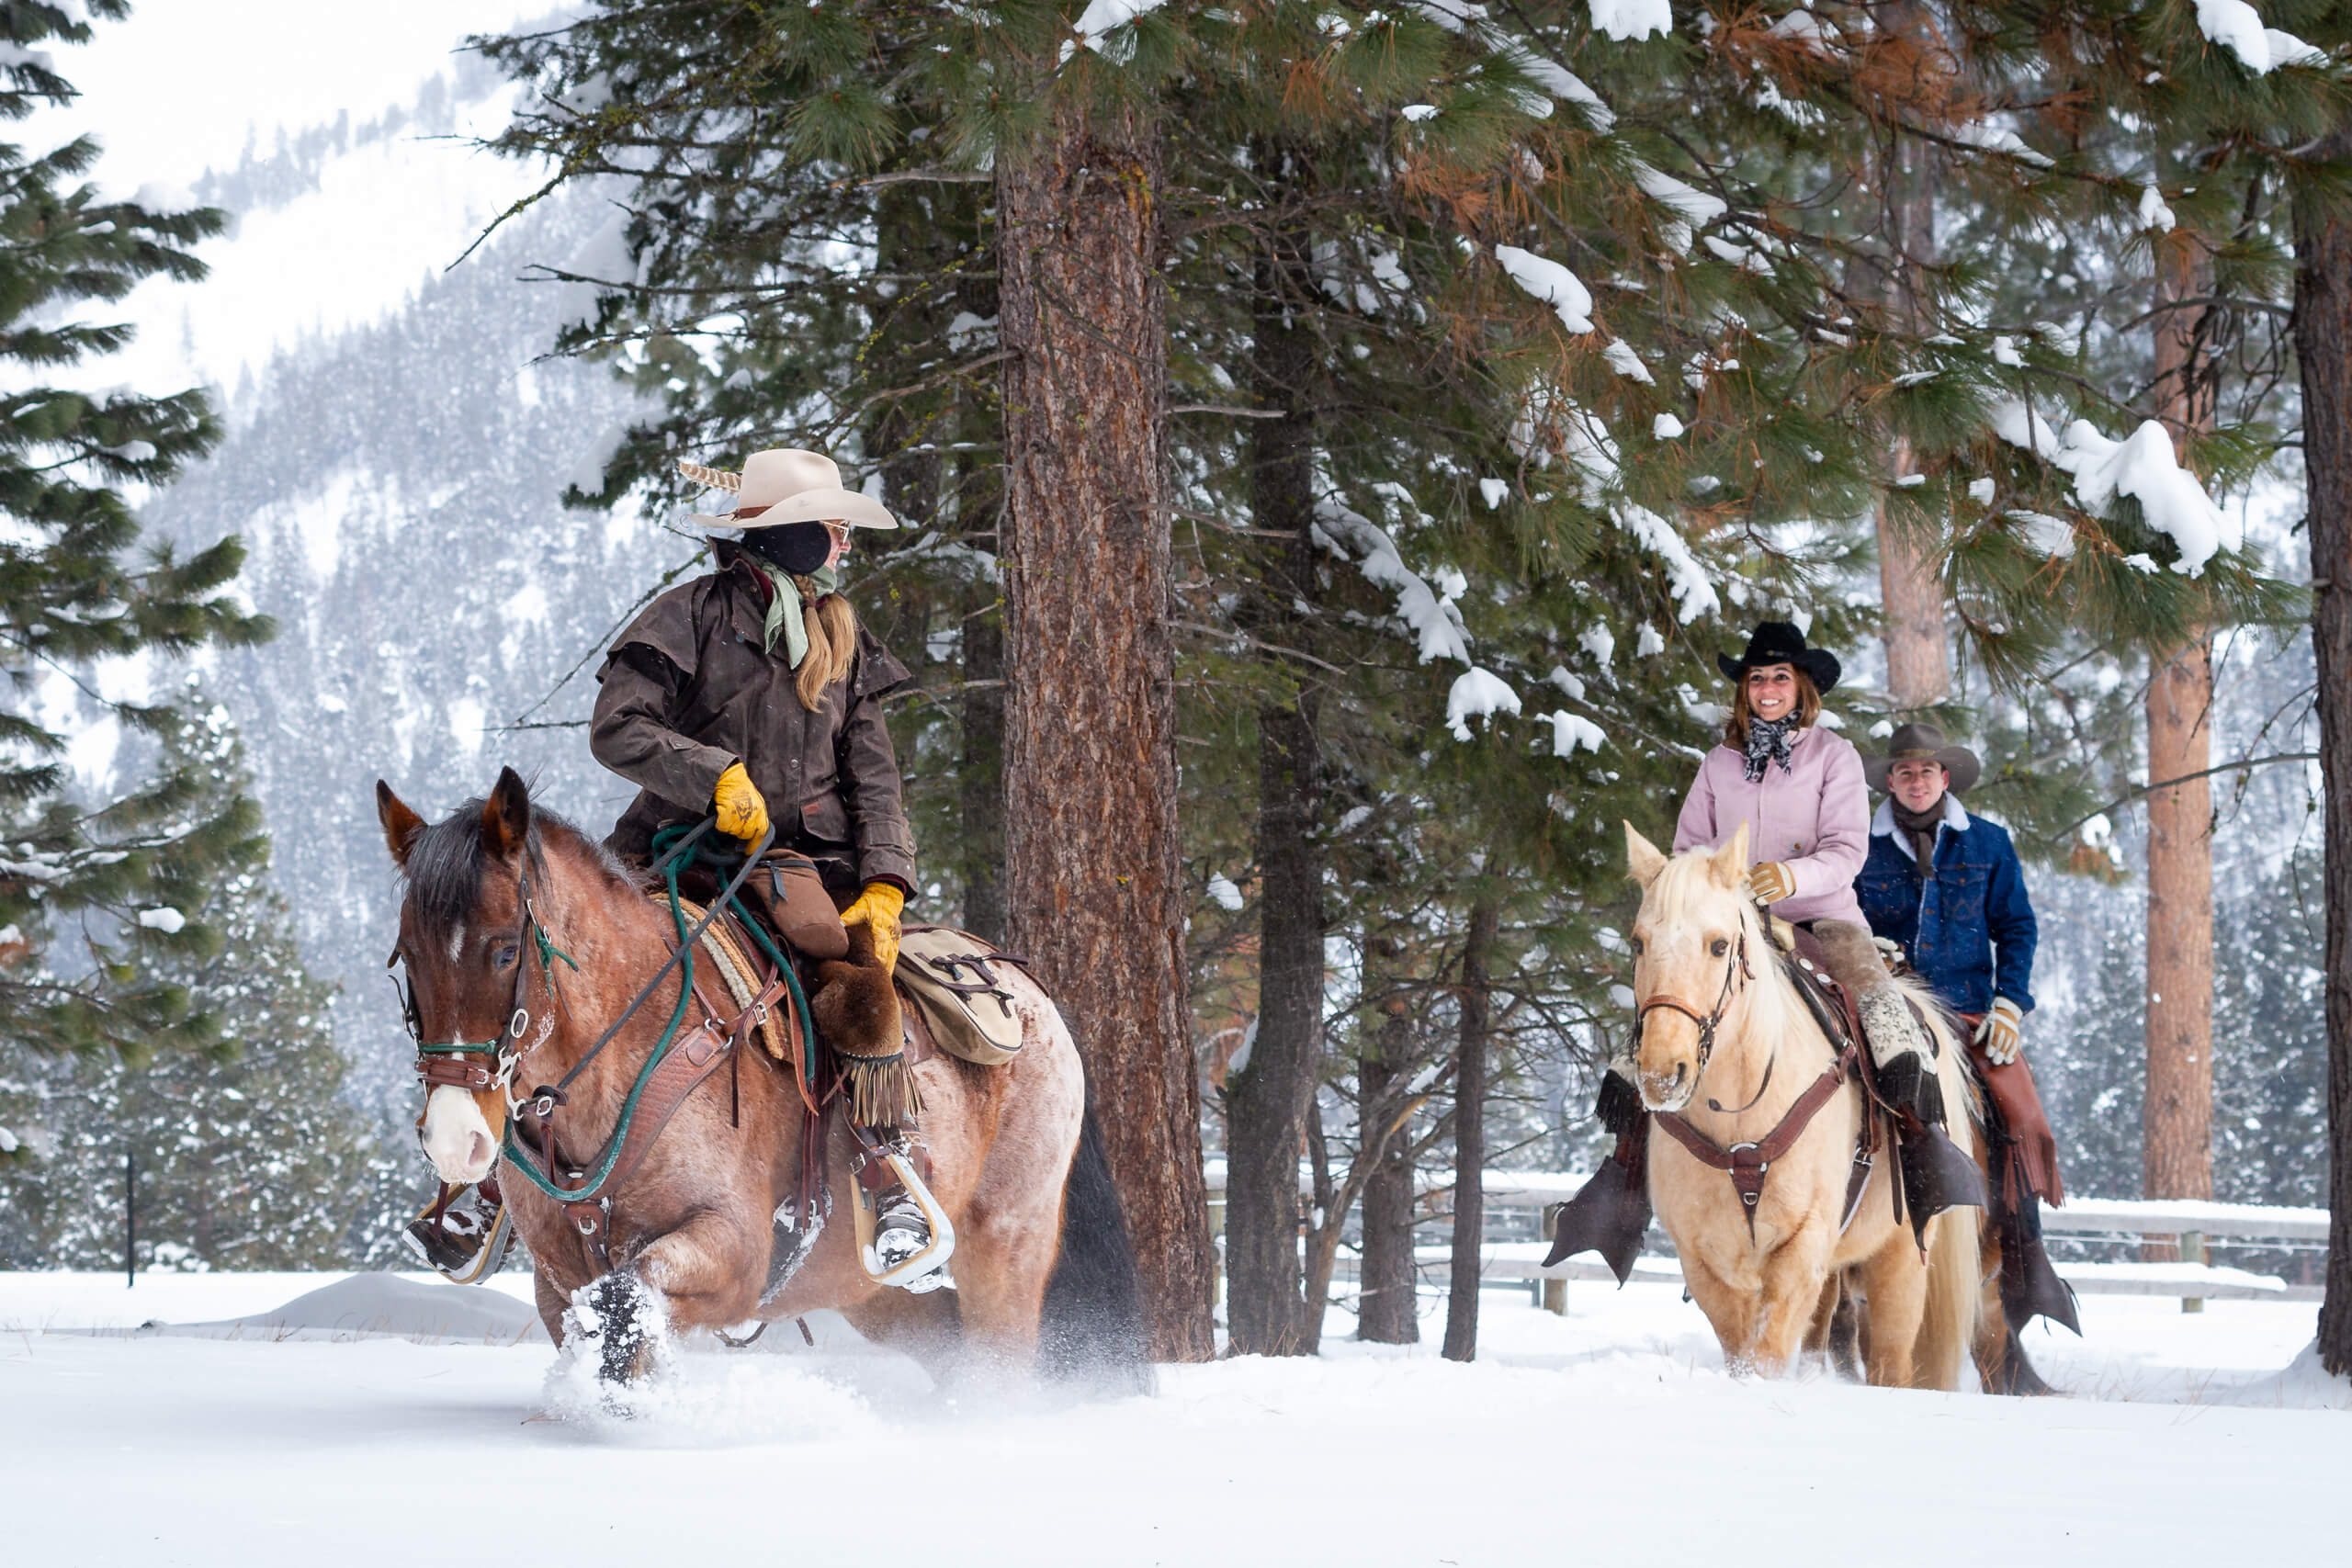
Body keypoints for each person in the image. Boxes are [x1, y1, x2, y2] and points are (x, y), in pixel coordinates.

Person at [406, 448, 937, 1285]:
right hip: (666, 851)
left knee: (864, 998)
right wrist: (713, 777)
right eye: (829, 525)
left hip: (803, 867)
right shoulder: (685, 617)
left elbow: (874, 777)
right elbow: (616, 726)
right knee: (546, 982)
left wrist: (884, 883)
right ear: (786, 537)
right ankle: (485, 1191)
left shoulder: (845, 639)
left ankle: (887, 1173)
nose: (841, 539)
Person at [1669, 622, 1946, 1126]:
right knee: (1657, 1025)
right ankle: (1622, 1172)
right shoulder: (1718, 763)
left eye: (1780, 676)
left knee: (1891, 1032)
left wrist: (1792, 877)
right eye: (1756, 678)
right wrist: (1711, 887)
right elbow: (1688, 849)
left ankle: (1926, 1152)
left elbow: (1847, 850)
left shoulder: (1834, 755)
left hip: (1826, 921)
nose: (1767, 690)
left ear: (1801, 686)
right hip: (1730, 922)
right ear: (1743, 690)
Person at [1857, 722, 2076, 1334]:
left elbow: (2017, 928)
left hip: (1970, 1010)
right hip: (1886, 1006)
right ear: (1891, 781)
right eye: (1905, 772)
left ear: (1944, 778)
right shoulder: (1860, 844)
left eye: (1927, 771)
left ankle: (2025, 1258)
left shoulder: (1987, 843)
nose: (1916, 781)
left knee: (2020, 1115)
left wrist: (2010, 1004)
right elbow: (1838, 917)